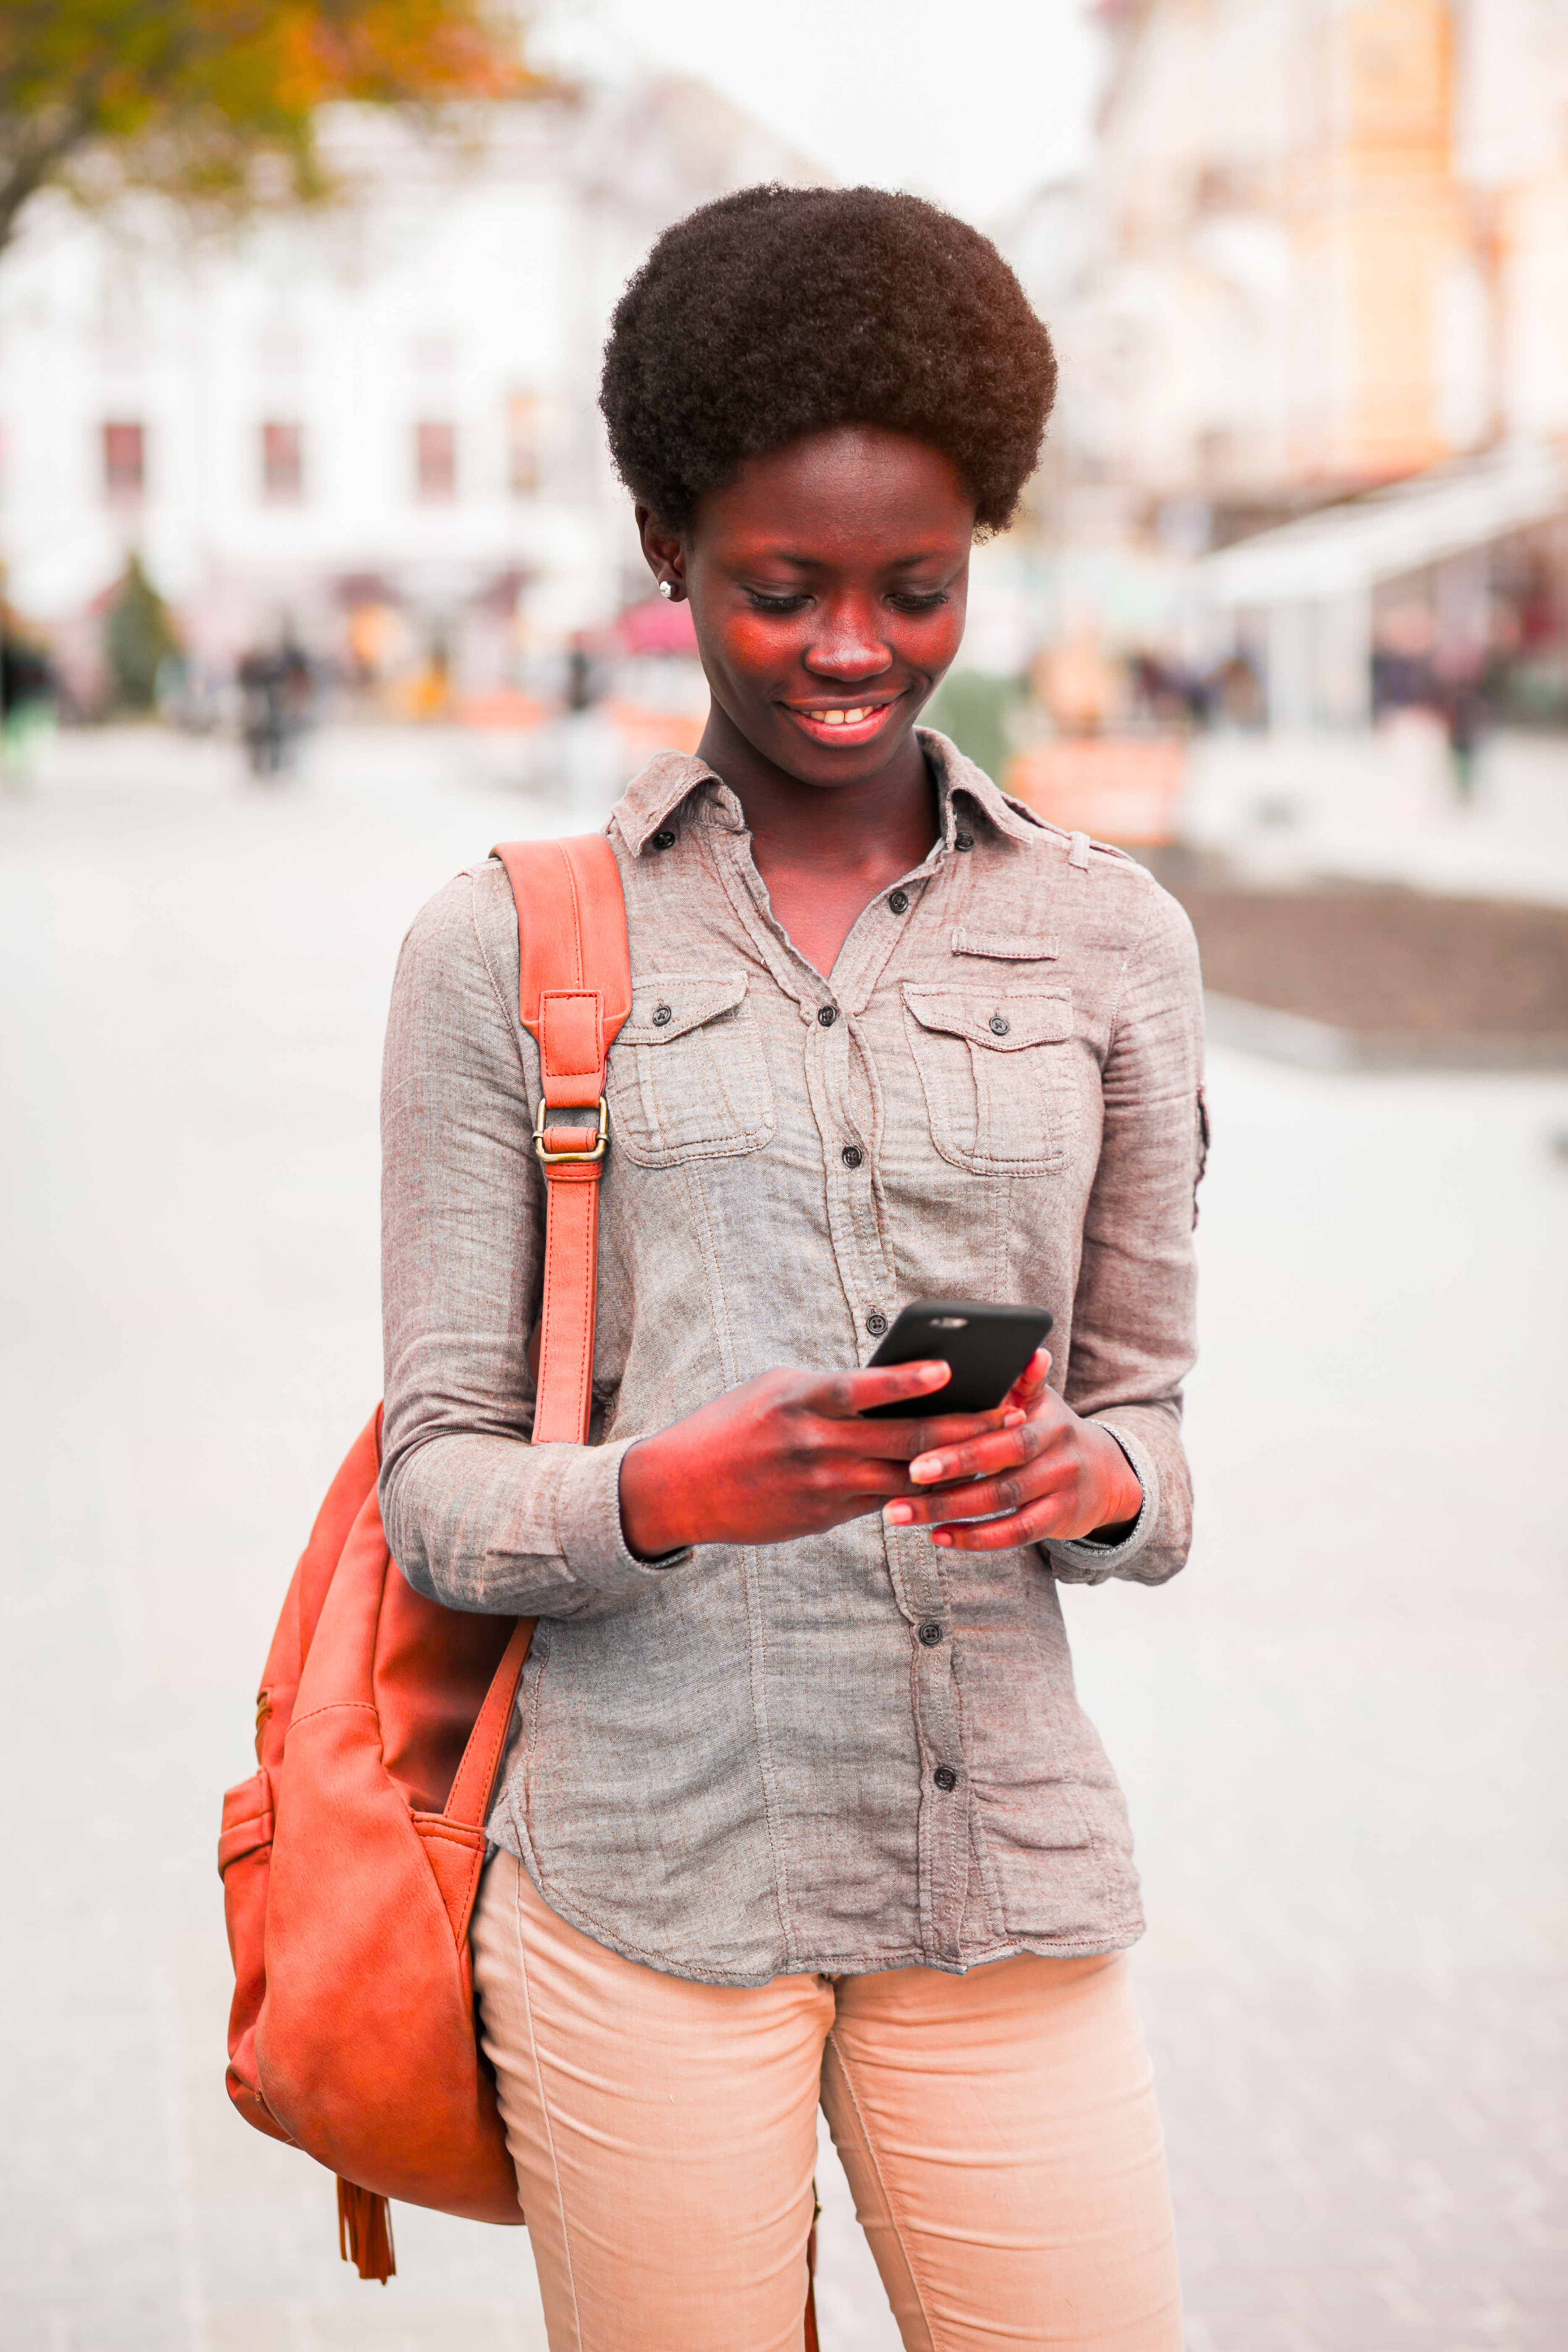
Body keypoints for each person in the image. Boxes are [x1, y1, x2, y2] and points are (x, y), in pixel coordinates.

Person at [380, 185, 1204, 2352]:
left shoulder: (1111, 937)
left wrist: (1088, 1486)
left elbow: (1157, 1426)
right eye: (781, 591)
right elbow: (437, 1485)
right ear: (668, 552)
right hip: (642, 1883)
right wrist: (670, 1488)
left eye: (913, 590)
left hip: (998, 1867)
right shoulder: (510, 947)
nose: (854, 647)